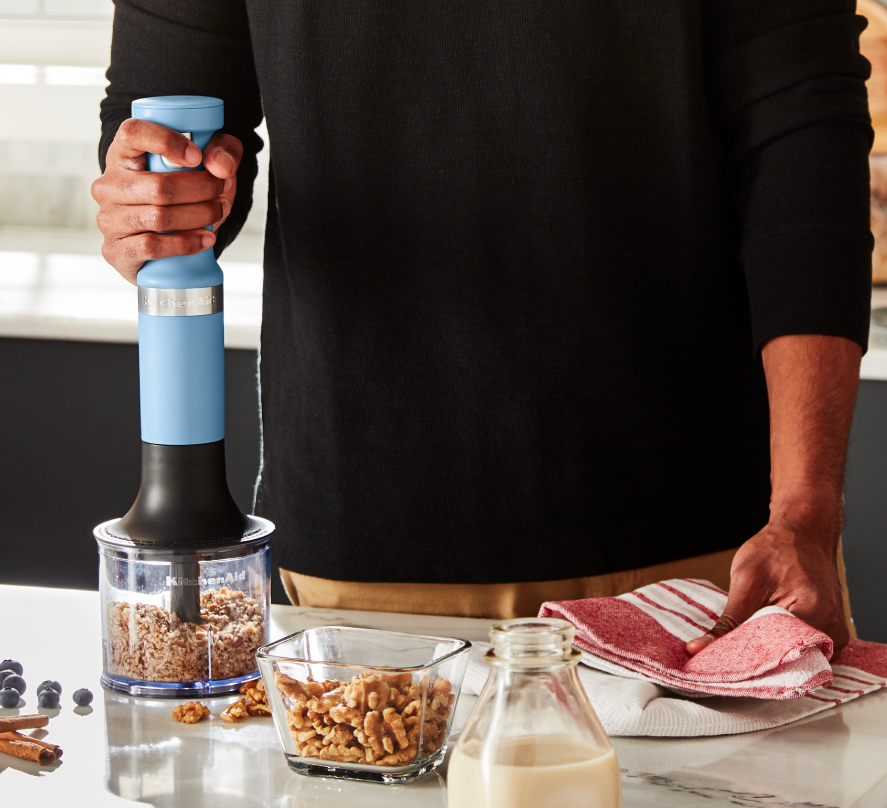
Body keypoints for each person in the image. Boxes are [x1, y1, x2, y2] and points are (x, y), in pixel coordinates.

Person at [91, 0, 873, 661]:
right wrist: (151, 208)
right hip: (371, 553)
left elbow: (802, 142)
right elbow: (162, 126)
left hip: (708, 558)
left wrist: (804, 512)